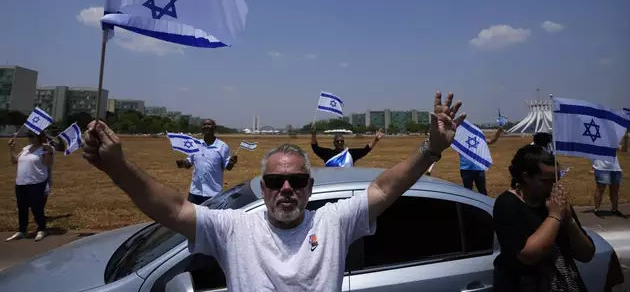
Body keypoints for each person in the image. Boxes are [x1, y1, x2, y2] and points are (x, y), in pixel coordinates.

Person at [81, 91, 465, 291]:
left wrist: (429, 149)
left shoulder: (333, 222)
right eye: (275, 182)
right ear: (261, 188)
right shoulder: (233, 229)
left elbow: (383, 188)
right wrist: (118, 166)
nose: (286, 189)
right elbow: (173, 209)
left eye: (297, 181)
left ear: (309, 187)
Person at [493, 144, 595, 291]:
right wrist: (554, 217)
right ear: (526, 176)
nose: (554, 185)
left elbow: (586, 254)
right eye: (547, 180)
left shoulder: (556, 203)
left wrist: (569, 221)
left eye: (557, 179)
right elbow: (528, 255)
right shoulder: (507, 204)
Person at [6, 131, 55, 242]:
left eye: (32, 136)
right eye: (28, 135)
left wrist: (50, 152)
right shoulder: (26, 149)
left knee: (36, 208)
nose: (29, 138)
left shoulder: (45, 148)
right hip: (21, 182)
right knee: (22, 208)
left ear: (39, 137)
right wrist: (12, 149)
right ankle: (22, 231)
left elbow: (48, 163)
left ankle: (42, 229)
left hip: (36, 182)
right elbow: (15, 161)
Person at [175, 119, 237, 205]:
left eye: (209, 124)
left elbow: (228, 167)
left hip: (213, 193)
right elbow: (189, 163)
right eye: (204, 124)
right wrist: (182, 163)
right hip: (195, 192)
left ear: (214, 128)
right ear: (201, 128)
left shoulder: (222, 146)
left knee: (211, 218)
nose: (206, 126)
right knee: (192, 217)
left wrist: (231, 162)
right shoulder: (196, 144)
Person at [592, 130, 629, 218]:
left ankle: (614, 209)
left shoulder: (612, 142)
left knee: (615, 190)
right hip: (601, 167)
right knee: (600, 189)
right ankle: (597, 209)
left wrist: (626, 139)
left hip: (615, 168)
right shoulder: (596, 140)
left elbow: (623, 150)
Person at [310, 125, 384, 167]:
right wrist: (313, 134)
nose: (340, 142)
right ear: (334, 143)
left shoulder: (350, 153)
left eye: (341, 141)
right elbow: (315, 147)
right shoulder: (328, 153)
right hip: (332, 183)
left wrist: (376, 140)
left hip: (346, 182)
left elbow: (365, 150)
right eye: (337, 141)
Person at [459, 126, 503, 196]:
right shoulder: (460, 141)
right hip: (466, 169)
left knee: (482, 191)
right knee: (467, 192)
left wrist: (498, 132)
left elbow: (492, 141)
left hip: (479, 169)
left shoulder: (479, 140)